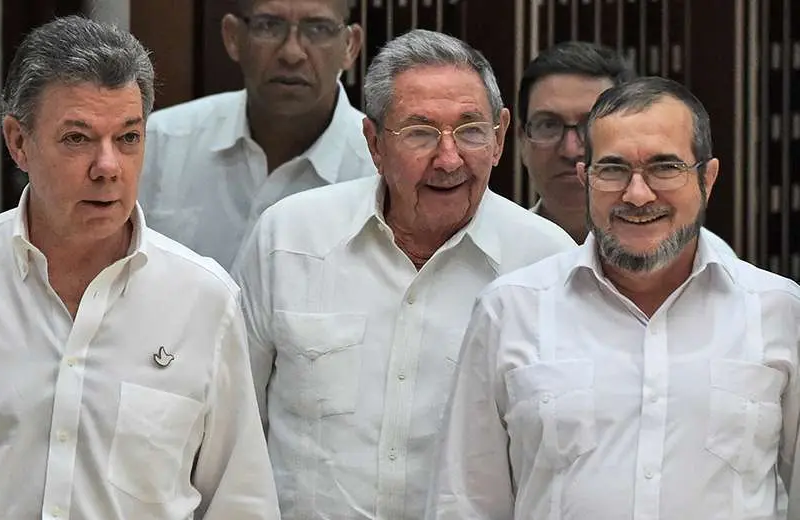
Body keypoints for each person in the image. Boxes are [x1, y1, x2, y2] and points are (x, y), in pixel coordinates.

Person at [0, 16, 279, 520]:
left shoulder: (205, 301)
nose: (108, 166)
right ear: (19, 142)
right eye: (78, 138)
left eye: (128, 138)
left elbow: (240, 503)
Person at [232, 29, 575, 519]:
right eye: (420, 132)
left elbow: (560, 451)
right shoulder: (290, 237)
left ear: (500, 138)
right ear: (374, 143)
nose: (449, 158)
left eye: (471, 130)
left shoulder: (546, 262)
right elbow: (230, 423)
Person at [429, 76, 800, 519]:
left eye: (665, 167)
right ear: (586, 179)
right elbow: (464, 502)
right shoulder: (510, 310)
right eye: (613, 169)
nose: (637, 194)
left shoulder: (779, 311)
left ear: (707, 178)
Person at [138, 0, 373, 270]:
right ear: (233, 37)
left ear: (350, 46)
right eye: (269, 26)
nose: (292, 53)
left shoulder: (380, 169)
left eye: (318, 28)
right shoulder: (161, 142)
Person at [518, 41, 737, 256]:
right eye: (547, 125)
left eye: (589, 125)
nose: (570, 150)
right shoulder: (501, 259)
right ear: (521, 142)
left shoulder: (711, 262)